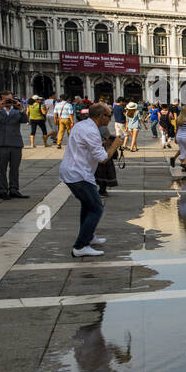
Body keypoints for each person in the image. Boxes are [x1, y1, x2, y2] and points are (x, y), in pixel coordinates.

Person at [60, 103, 123, 257]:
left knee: (88, 206)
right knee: (96, 208)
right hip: (78, 174)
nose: (110, 118)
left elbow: (91, 148)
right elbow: (102, 158)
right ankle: (80, 246)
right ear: (101, 116)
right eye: (109, 115)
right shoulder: (91, 131)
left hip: (75, 172)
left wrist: (105, 144)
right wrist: (114, 146)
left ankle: (89, 236)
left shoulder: (83, 125)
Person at [0, 91, 29, 198]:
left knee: (15, 169)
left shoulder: (17, 111)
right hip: (1, 143)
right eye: (6, 99)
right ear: (1, 100)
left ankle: (14, 189)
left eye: (11, 99)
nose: (9, 102)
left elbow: (25, 120)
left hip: (16, 143)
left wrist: (21, 109)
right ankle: (2, 190)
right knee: (1, 169)